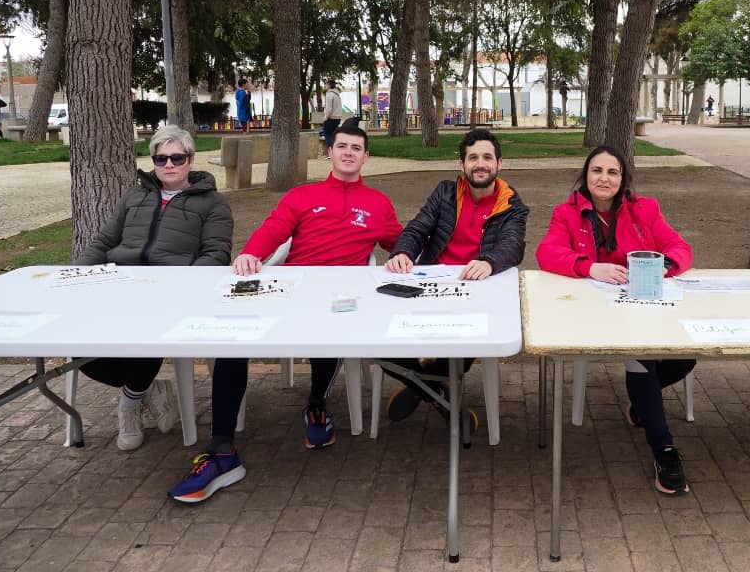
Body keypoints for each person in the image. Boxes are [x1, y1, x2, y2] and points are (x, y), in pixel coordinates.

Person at [168, 123, 402, 503]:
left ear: (365, 156)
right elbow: (275, 229)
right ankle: (223, 450)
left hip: (341, 298)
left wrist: (410, 254)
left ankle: (317, 406)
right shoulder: (303, 195)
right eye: (341, 146)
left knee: (334, 327)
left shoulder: (378, 204)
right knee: (233, 338)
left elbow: (400, 242)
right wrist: (251, 254)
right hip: (292, 289)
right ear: (330, 152)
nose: (348, 153)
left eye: (356, 148)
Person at [536, 145, 694, 495]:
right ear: (586, 176)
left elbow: (679, 247)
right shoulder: (566, 212)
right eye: (597, 171)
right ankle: (664, 450)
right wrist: (589, 267)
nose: (604, 178)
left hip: (643, 306)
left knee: (688, 355)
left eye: (613, 172)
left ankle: (641, 402)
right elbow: (547, 252)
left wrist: (664, 266)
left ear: (623, 179)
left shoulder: (645, 209)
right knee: (643, 361)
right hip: (590, 313)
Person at [75, 125, 233, 450]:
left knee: (148, 333)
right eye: (162, 159)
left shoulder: (213, 203)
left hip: (171, 291)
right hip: (120, 284)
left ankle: (129, 403)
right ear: (154, 162)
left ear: (190, 160)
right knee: (77, 343)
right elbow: (104, 242)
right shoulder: (134, 197)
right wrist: (75, 274)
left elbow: (216, 255)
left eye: (177, 158)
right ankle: (147, 388)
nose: (169, 164)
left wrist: (181, 285)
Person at [382, 128, 528, 421]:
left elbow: (513, 246)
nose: (480, 164)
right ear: (462, 164)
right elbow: (417, 228)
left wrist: (488, 261)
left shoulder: (512, 204)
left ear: (499, 163)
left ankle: (422, 385)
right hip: (431, 285)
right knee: (378, 337)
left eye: (487, 157)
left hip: (477, 289)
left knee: (470, 338)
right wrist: (403, 252)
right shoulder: (445, 193)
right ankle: (438, 390)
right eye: (473, 158)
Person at [322, 80, 343, 149]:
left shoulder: (329, 95)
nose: (325, 86)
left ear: (329, 85)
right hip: (337, 119)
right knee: (334, 136)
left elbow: (329, 109)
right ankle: (335, 151)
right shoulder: (337, 95)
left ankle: (331, 151)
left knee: (328, 135)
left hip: (330, 119)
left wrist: (326, 118)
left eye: (326, 84)